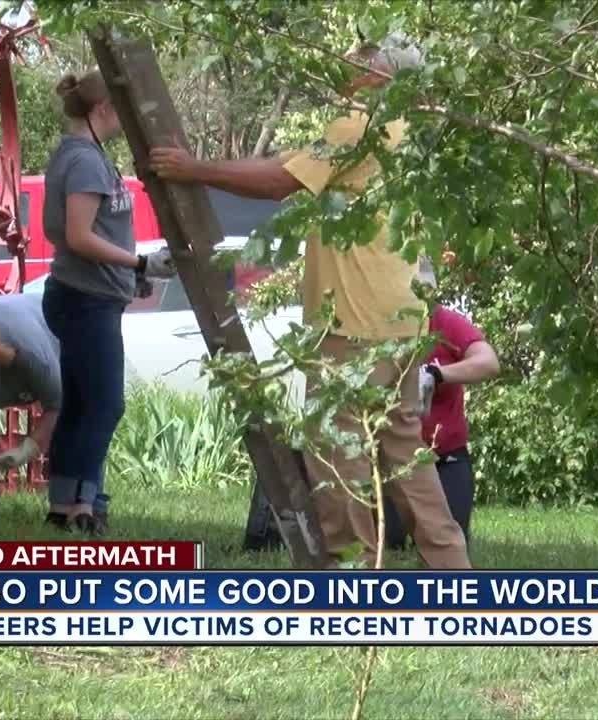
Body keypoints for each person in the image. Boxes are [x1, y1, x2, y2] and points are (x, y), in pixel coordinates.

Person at [148, 35, 470, 569]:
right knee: (405, 454)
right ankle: (453, 570)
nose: (348, 67)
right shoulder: (410, 134)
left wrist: (191, 168)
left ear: (381, 76)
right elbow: (295, 164)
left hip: (355, 322)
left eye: (359, 61)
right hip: (405, 320)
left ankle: (355, 579)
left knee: (336, 456)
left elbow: (280, 180)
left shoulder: (359, 126)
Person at [42, 70, 176, 534]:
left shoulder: (84, 153)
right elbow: (79, 236)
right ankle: (83, 506)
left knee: (80, 403)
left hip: (89, 294)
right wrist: (139, 264)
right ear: (103, 109)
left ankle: (62, 505)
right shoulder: (84, 161)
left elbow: (98, 232)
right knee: (103, 405)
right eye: (119, 109)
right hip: (84, 299)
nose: (124, 118)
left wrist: (127, 273)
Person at [383, 304, 499, 553]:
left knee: (449, 545)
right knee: (393, 545)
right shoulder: (379, 322)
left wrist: (437, 374)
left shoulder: (443, 321)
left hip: (447, 456)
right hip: (395, 461)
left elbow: (488, 362)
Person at [0, 293, 62, 470]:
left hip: (65, 331)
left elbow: (58, 407)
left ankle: (75, 492)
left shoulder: (34, 357)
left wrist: (26, 450)